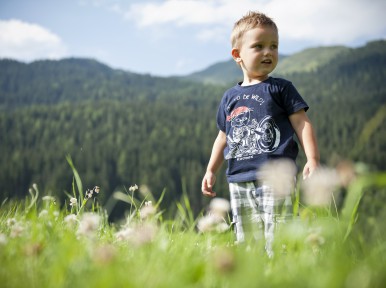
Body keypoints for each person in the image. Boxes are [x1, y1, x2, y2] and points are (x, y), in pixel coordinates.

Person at [201, 11, 319, 256]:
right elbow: (223, 136)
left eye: (274, 46)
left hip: (275, 176)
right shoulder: (229, 97)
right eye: (259, 46)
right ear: (238, 55)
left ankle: (281, 274)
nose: (268, 52)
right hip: (238, 178)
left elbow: (302, 123)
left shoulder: (281, 88)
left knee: (279, 236)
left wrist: (313, 159)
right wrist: (211, 169)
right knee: (247, 241)